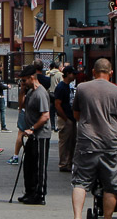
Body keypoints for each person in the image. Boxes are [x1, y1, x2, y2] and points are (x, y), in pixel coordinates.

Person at [71, 58, 117, 219]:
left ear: (93, 71)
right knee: (111, 185)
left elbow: (76, 114)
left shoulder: (81, 88)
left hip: (86, 142)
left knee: (80, 182)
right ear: (110, 73)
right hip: (110, 144)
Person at [15, 65, 51, 205]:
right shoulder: (30, 92)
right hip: (30, 135)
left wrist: (33, 128)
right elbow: (21, 106)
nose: (23, 83)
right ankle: (29, 191)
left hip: (40, 135)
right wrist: (22, 91)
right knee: (28, 164)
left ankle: (39, 194)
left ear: (32, 78)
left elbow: (45, 116)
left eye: (24, 81)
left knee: (39, 165)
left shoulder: (41, 93)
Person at [54, 65, 77, 172]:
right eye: (73, 73)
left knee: (71, 141)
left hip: (70, 118)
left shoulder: (67, 86)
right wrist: (65, 118)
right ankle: (64, 163)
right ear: (68, 74)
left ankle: (68, 162)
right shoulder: (61, 87)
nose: (75, 76)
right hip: (65, 118)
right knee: (65, 141)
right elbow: (57, 104)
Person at [45, 63, 64, 131]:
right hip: (57, 94)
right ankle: (57, 126)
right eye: (61, 66)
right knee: (58, 110)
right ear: (58, 67)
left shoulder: (48, 74)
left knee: (51, 110)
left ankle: (52, 125)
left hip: (50, 93)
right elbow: (62, 84)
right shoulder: (60, 74)